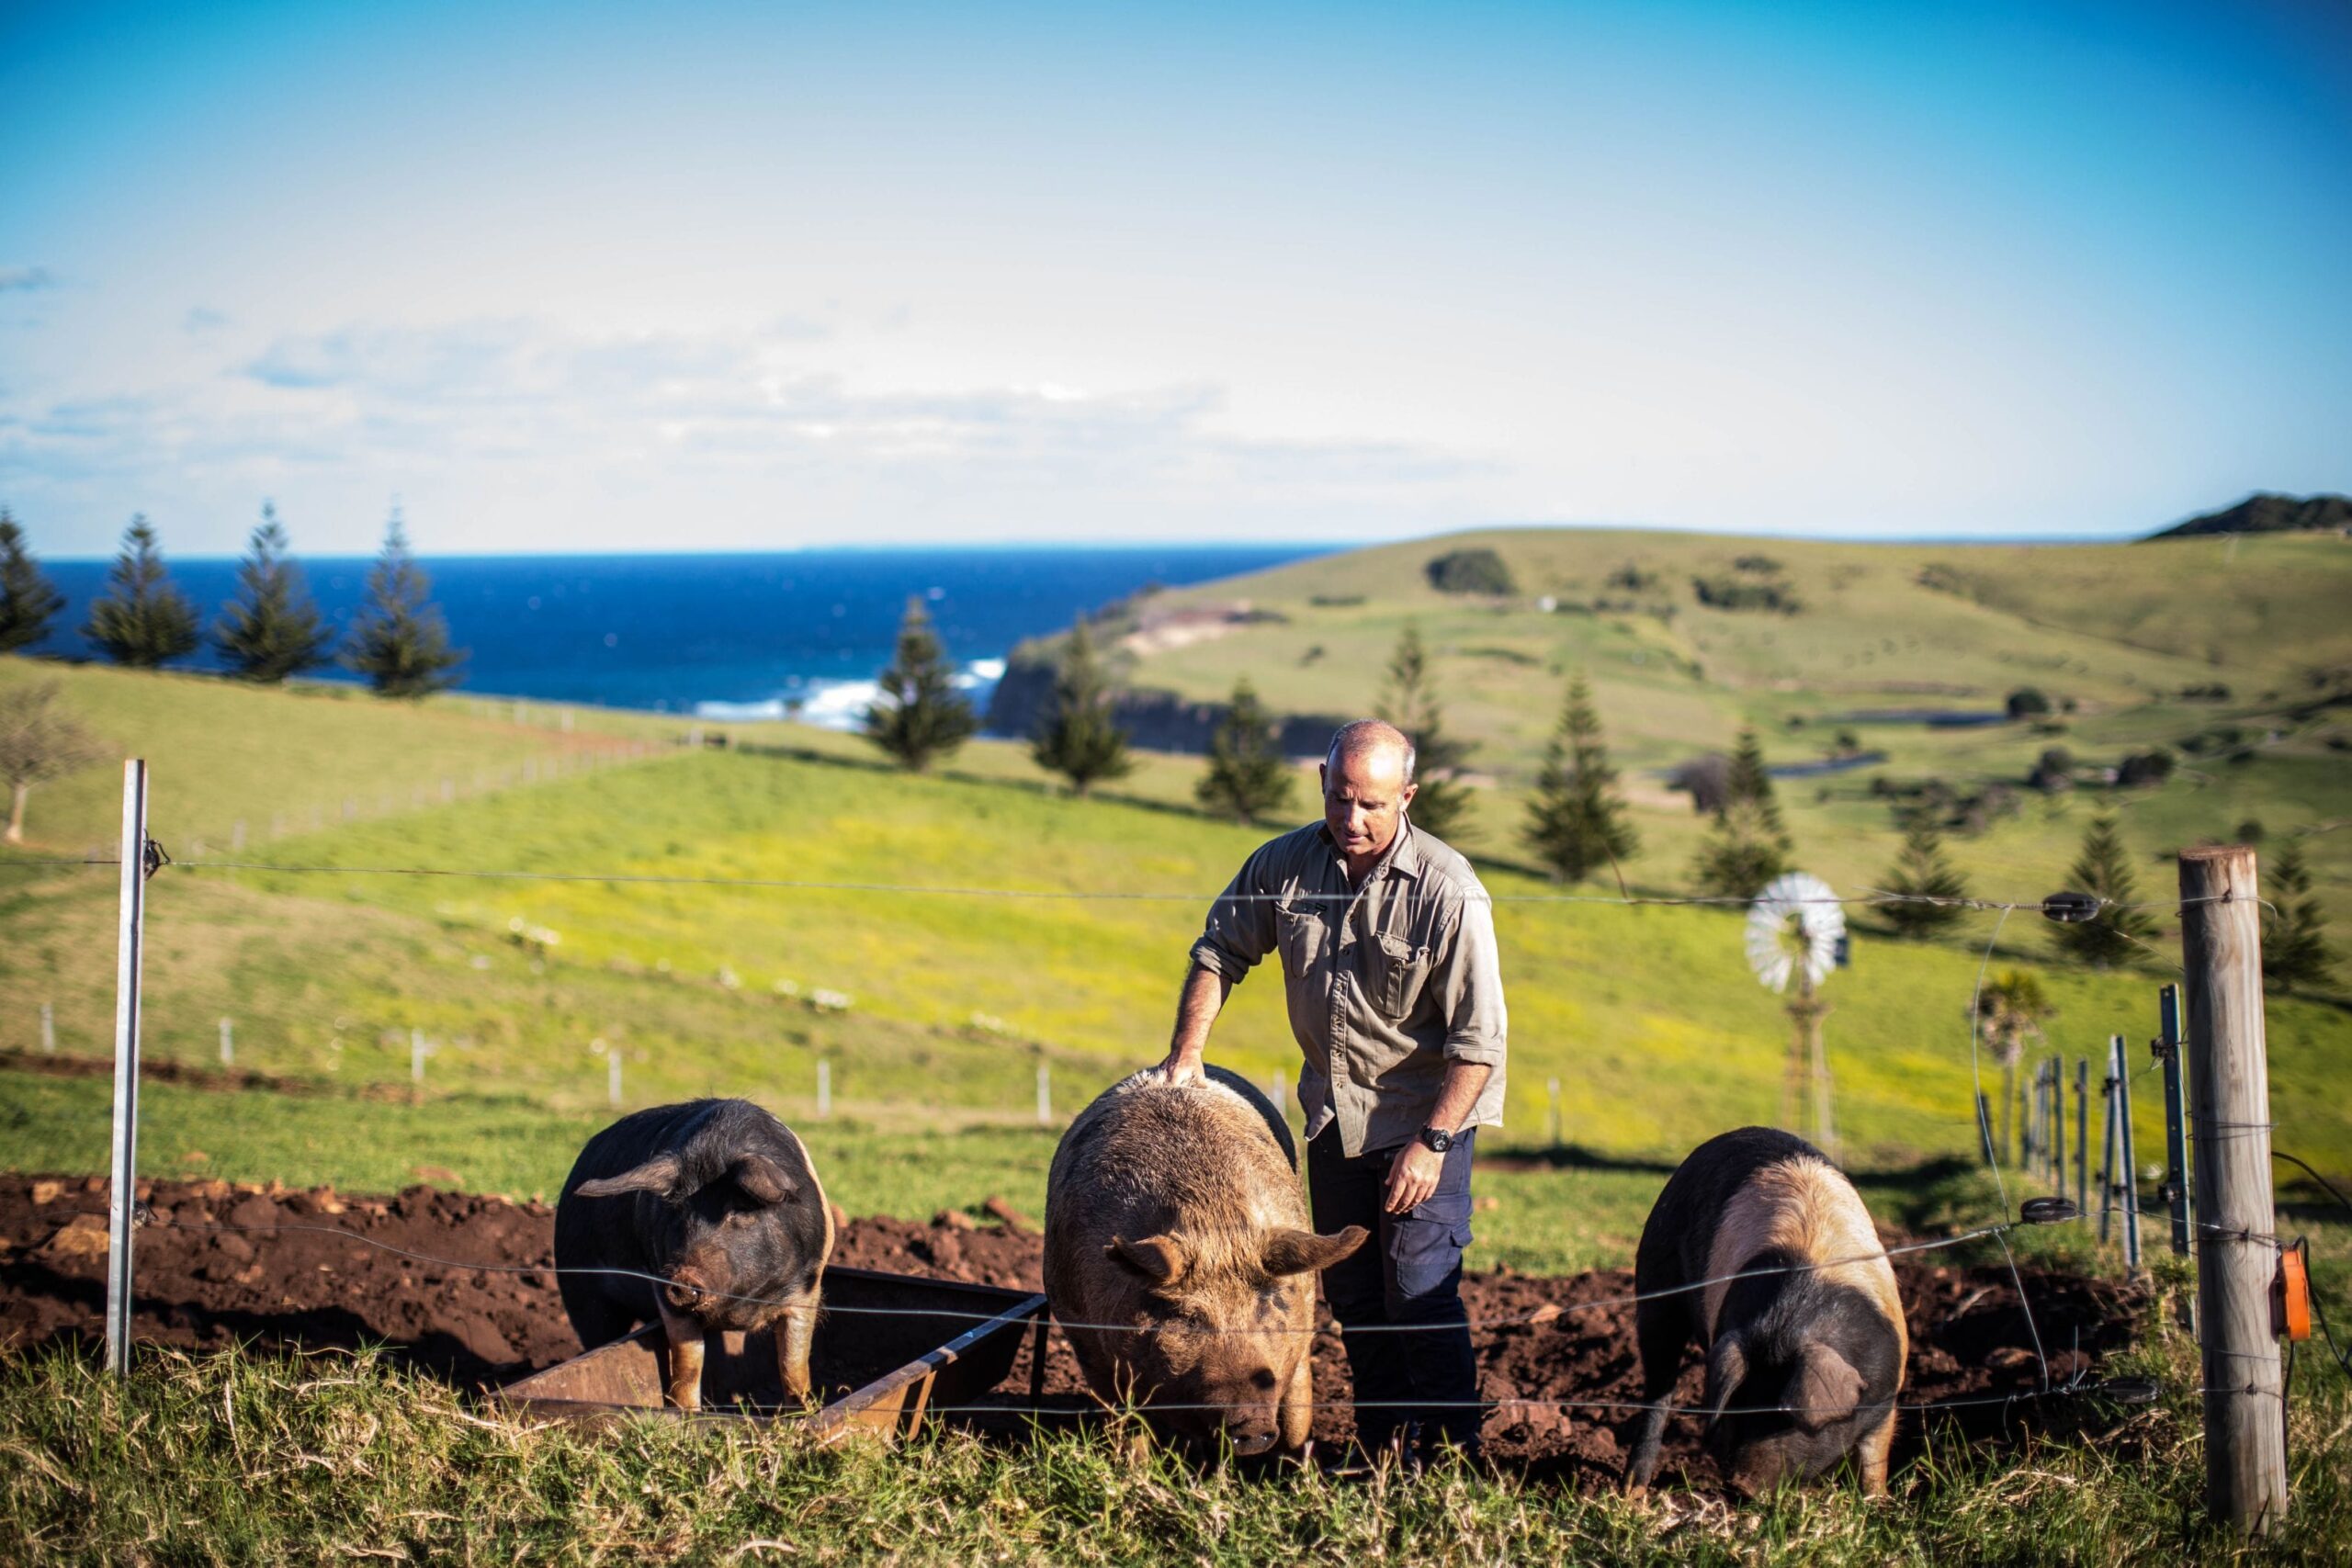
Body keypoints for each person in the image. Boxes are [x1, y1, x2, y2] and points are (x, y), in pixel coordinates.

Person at [1157, 717, 1507, 1466]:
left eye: (1373, 805)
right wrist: (1188, 1054)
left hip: (1422, 1122)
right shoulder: (1283, 865)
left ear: (1406, 797)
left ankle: (1450, 1455)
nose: (1352, 819)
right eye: (1341, 797)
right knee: (1354, 1298)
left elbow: (1480, 1045)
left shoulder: (1449, 892)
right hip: (1332, 1121)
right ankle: (1383, 1448)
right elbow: (1220, 949)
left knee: (1418, 1292)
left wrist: (1433, 1144)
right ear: (1322, 780)